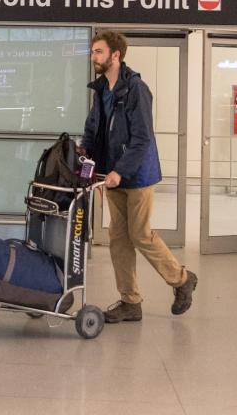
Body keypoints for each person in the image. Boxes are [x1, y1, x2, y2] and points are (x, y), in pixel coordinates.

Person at [79, 31, 198, 324]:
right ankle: (131, 302)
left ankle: (182, 280)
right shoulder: (101, 90)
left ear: (115, 55)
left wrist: (122, 171)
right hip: (111, 175)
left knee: (140, 234)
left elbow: (142, 138)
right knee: (118, 237)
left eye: (98, 52)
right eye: (93, 51)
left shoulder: (136, 89)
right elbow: (93, 130)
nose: (93, 56)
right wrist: (86, 164)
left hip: (137, 174)